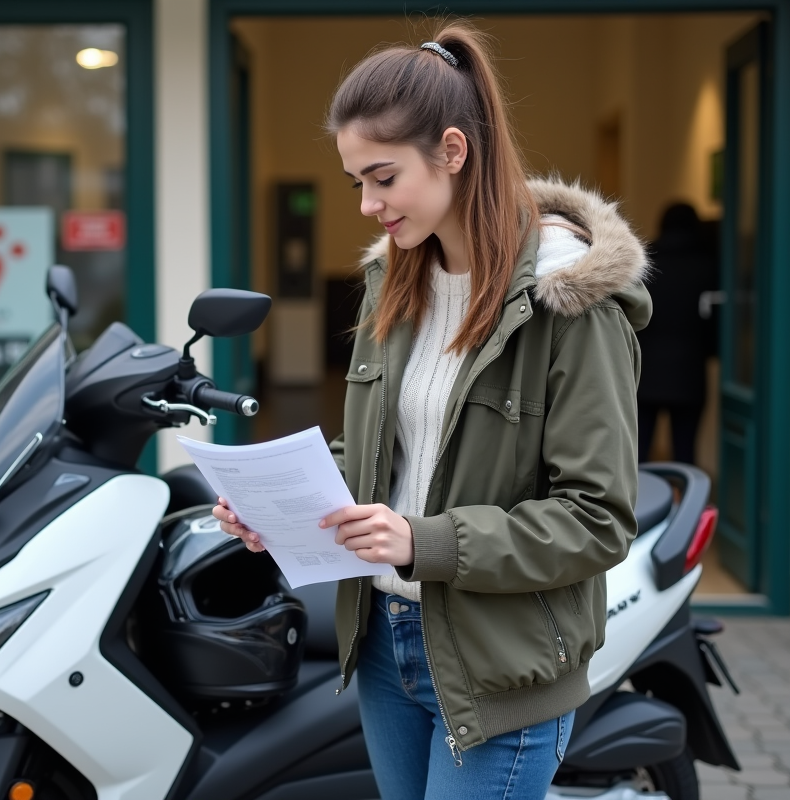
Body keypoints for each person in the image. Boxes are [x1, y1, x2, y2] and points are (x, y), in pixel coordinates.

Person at [214, 22, 650, 800]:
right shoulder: (395, 287)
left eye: (382, 177)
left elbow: (598, 518)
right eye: (356, 182)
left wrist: (426, 541)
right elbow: (378, 457)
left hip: (499, 662)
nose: (367, 205)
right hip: (384, 641)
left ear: (453, 150)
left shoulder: (571, 302)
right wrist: (275, 509)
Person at [636, 202, 719, 464]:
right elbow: (716, 322)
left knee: (636, 454)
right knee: (685, 452)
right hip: (689, 373)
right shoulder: (709, 266)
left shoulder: (643, 264)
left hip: (644, 373)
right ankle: (687, 504)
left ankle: (640, 506)